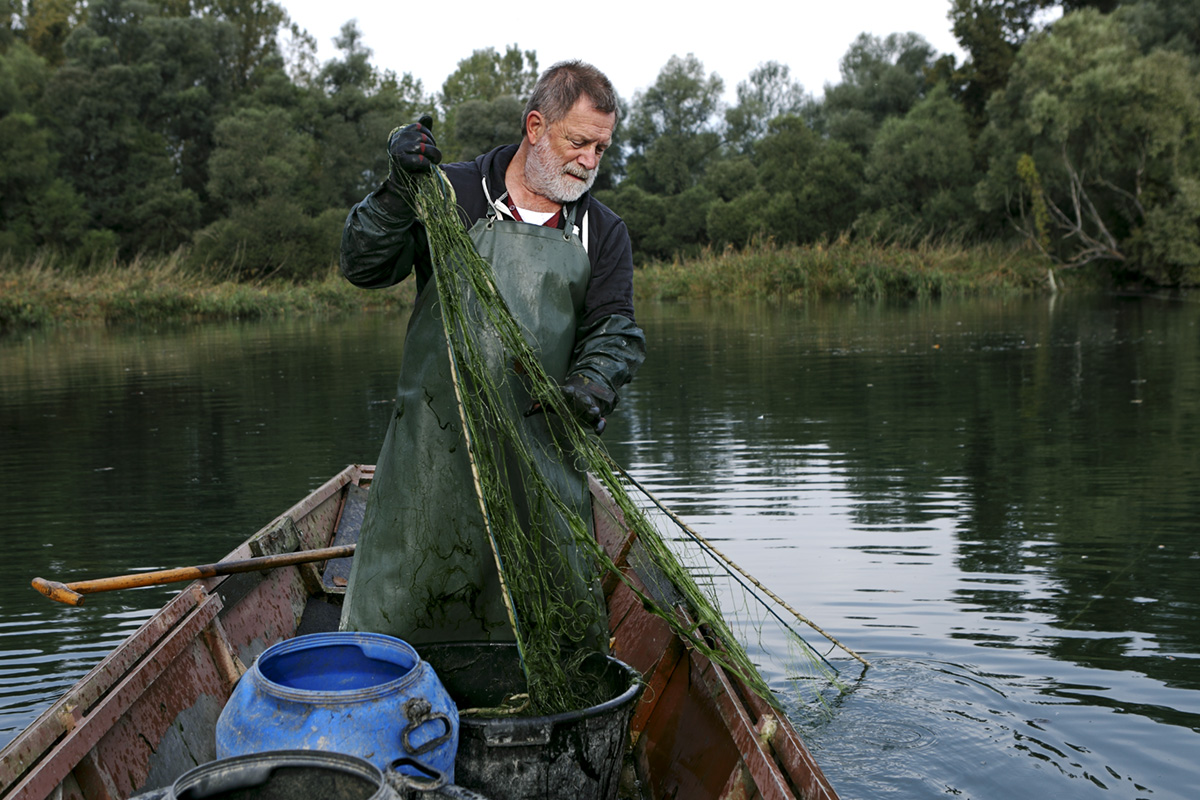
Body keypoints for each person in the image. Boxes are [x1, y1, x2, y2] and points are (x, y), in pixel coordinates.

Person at [338, 61, 646, 650]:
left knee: (550, 621)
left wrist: (592, 381)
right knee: (403, 608)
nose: (589, 160)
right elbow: (364, 266)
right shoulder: (450, 193)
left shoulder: (602, 231)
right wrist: (399, 185)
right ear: (536, 126)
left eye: (601, 148)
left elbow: (615, 329)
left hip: (542, 452)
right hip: (432, 443)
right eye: (577, 142)